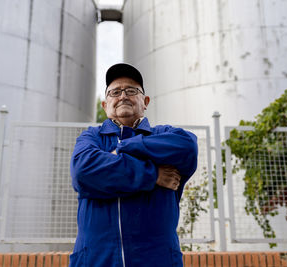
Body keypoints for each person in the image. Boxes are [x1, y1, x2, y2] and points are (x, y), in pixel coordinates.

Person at [70, 63, 198, 267]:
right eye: (115, 92)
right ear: (105, 105)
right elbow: (83, 172)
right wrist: (153, 174)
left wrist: (122, 148)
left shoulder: (163, 134)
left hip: (156, 260)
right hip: (97, 260)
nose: (123, 96)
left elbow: (188, 146)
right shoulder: (91, 137)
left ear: (145, 101)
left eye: (131, 90)